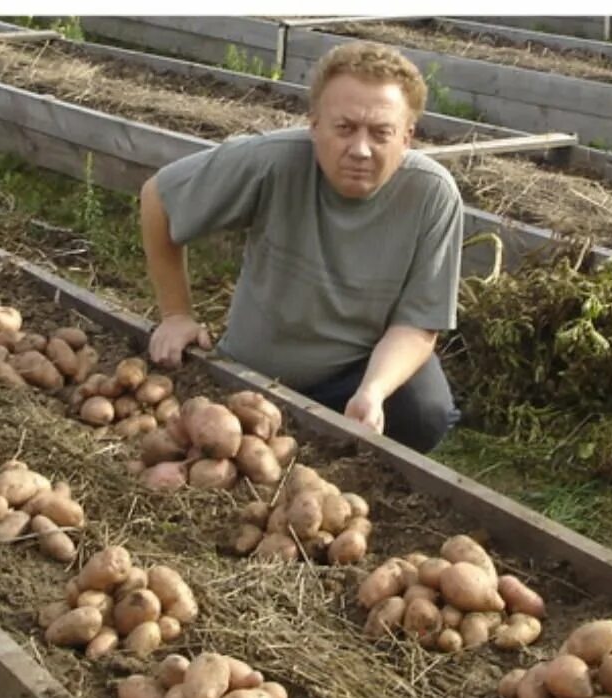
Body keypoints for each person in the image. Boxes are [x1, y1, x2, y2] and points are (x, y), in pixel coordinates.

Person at [140, 40, 464, 453]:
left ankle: (360, 447)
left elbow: (419, 324)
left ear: (407, 136)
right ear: (314, 124)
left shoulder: (431, 195)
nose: (360, 149)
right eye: (344, 128)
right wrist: (175, 314)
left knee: (425, 412)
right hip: (258, 368)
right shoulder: (273, 161)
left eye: (381, 132)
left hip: (357, 368)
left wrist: (374, 391)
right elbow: (158, 198)